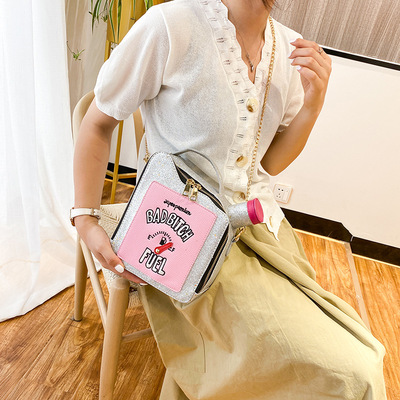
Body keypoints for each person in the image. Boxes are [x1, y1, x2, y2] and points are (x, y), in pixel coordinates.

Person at [73, 0, 387, 398]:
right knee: (353, 372)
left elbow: (268, 162)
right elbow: (97, 123)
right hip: (181, 238)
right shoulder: (171, 26)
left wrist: (312, 105)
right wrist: (86, 219)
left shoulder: (288, 49)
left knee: (356, 355)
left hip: (260, 231)